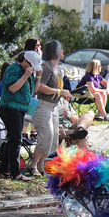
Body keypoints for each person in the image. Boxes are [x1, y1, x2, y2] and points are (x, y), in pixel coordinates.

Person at [28, 40, 72, 176]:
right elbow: (40, 87)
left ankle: (42, 167)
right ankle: (33, 165)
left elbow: (55, 88)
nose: (63, 51)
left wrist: (63, 93)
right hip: (42, 106)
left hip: (53, 107)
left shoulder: (58, 68)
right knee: (46, 136)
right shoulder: (46, 66)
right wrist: (59, 92)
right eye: (61, 49)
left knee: (53, 139)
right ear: (54, 51)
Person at [0, 50, 40, 181]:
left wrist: (37, 76)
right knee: (16, 139)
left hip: (21, 109)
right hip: (10, 108)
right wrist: (25, 76)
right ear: (25, 61)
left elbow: (34, 90)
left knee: (12, 139)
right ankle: (16, 173)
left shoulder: (29, 72)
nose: (32, 69)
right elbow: (12, 88)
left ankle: (4, 170)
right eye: (31, 65)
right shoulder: (13, 69)